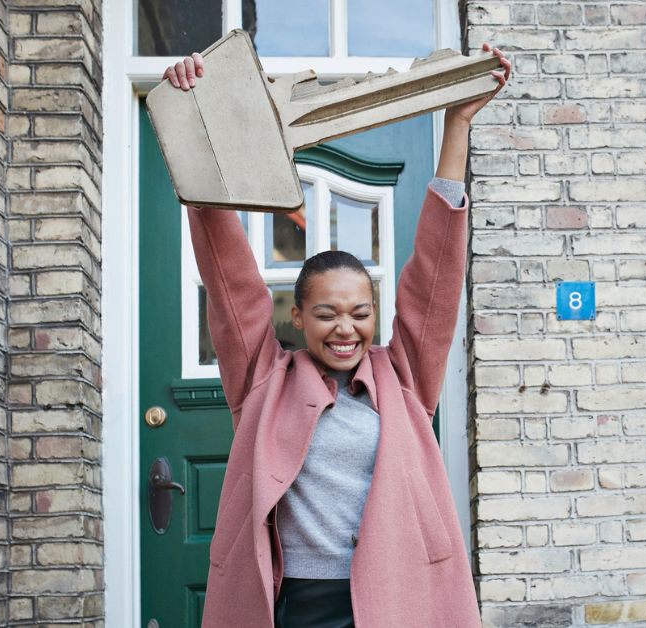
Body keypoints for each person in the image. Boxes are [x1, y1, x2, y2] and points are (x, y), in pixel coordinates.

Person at [163, 44, 510, 628]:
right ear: (297, 318)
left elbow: (435, 274)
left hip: (399, 596)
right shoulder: (263, 379)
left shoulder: (404, 378)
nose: (345, 329)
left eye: (360, 312)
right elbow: (232, 286)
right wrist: (197, 121)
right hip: (299, 601)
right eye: (326, 314)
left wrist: (459, 122)